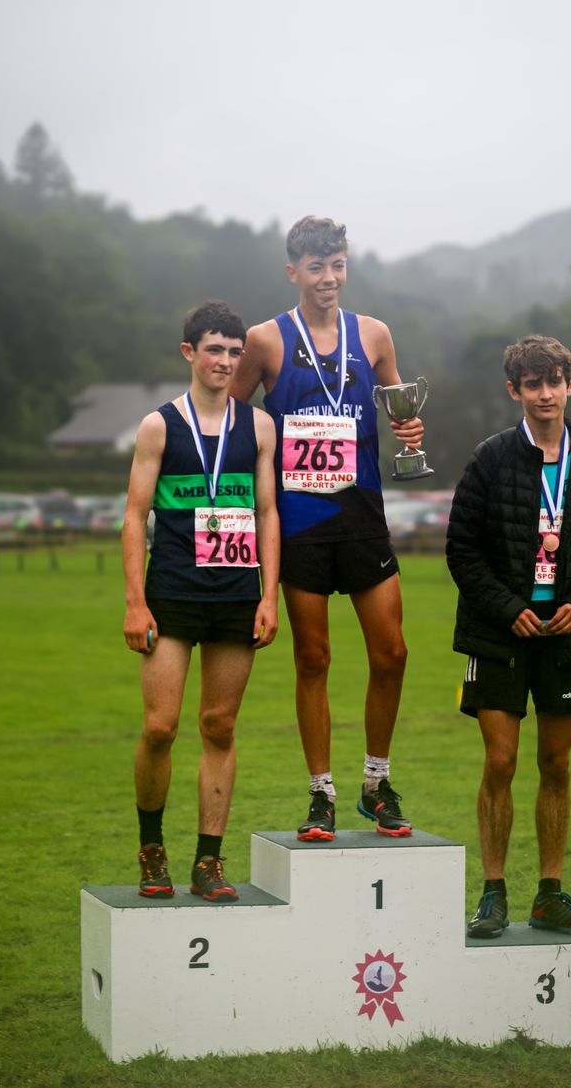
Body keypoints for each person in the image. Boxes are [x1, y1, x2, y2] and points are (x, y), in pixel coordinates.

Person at [231, 215, 423, 842]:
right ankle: (322, 794)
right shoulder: (264, 339)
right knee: (313, 658)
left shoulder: (373, 334)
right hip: (300, 521)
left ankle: (376, 781)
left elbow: (399, 407)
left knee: (391, 653)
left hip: (362, 513)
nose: (328, 278)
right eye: (316, 267)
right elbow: (230, 422)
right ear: (293, 272)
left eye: (337, 265)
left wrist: (410, 433)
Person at [446, 335, 571, 937]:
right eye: (533, 383)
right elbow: (461, 550)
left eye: (555, 381)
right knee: (500, 760)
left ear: (570, 385)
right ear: (514, 391)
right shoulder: (490, 459)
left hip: (565, 635)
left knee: (556, 763)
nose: (545, 393)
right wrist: (505, 608)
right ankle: (493, 892)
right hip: (499, 634)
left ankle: (549, 893)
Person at [122, 300, 279, 901]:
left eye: (235, 352)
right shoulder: (159, 425)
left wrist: (270, 596)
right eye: (215, 349)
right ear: (190, 353)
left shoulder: (258, 426)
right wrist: (135, 603)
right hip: (173, 594)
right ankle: (151, 849)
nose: (226, 361)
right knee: (160, 727)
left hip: (237, 594)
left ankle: (208, 860)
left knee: (219, 724)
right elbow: (135, 517)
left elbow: (267, 513)